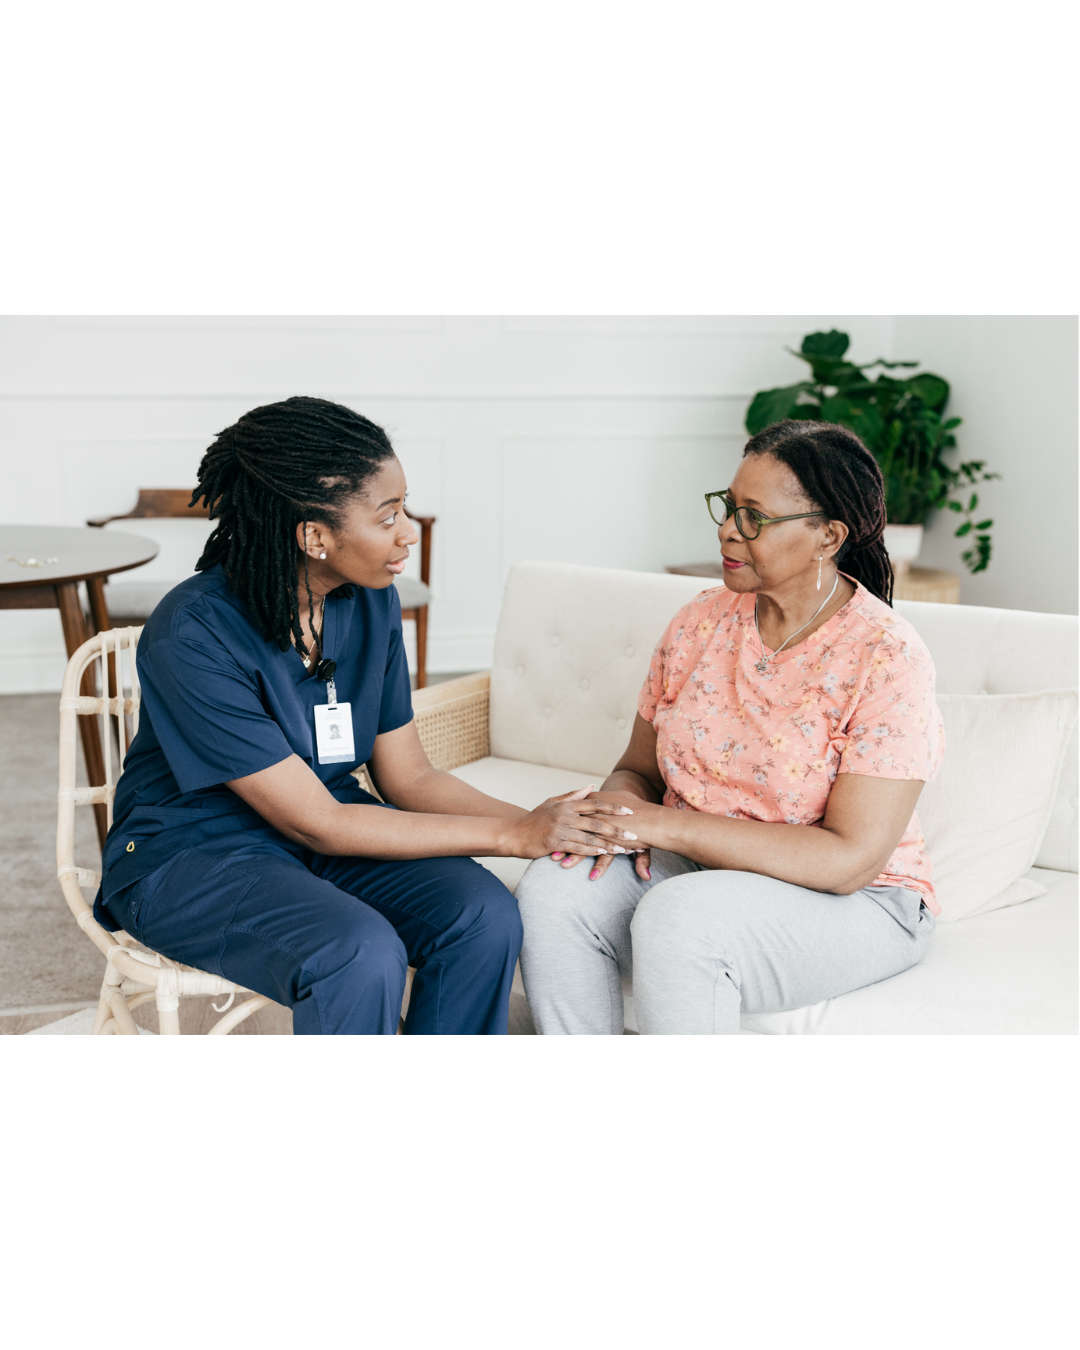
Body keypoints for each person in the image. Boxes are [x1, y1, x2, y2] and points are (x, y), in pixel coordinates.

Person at [95, 397, 634, 1035]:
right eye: (389, 516)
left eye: (404, 508)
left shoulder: (369, 602)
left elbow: (410, 779)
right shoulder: (191, 633)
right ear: (314, 536)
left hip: (327, 830)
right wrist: (512, 838)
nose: (409, 532)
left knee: (483, 915)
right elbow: (320, 823)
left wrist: (543, 825)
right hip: (193, 855)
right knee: (355, 953)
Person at [516, 420, 945, 1035]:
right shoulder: (700, 620)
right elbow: (637, 769)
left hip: (858, 901)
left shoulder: (885, 656)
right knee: (555, 890)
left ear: (828, 535)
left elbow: (848, 861)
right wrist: (613, 817)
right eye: (727, 506)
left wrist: (663, 824)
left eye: (754, 517)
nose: (726, 529)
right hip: (696, 866)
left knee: (682, 918)